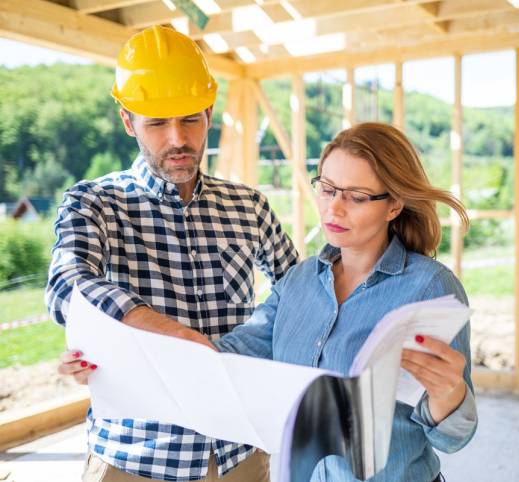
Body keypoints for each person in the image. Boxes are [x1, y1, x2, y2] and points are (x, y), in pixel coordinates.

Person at [146, 122, 475, 481]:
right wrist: (116, 359)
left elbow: (454, 437)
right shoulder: (298, 282)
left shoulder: (430, 287)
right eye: (328, 189)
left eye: (356, 196)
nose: (334, 209)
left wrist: (449, 393)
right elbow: (230, 353)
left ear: (394, 204)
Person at [49, 25, 298, 482]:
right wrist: (154, 330)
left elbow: (301, 294)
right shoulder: (94, 203)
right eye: (157, 123)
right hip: (135, 456)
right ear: (128, 121)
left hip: (238, 452)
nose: (177, 139)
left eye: (189, 119)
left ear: (209, 111)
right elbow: (68, 284)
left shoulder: (249, 206)